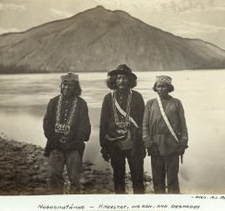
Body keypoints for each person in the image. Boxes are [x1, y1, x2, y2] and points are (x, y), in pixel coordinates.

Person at [99, 64, 146, 194]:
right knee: (118, 178)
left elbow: (143, 122)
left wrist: (143, 144)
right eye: (118, 78)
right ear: (114, 80)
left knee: (138, 178)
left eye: (125, 78)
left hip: (135, 144)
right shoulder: (108, 98)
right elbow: (103, 124)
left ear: (130, 81)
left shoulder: (137, 96)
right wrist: (104, 146)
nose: (121, 81)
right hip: (115, 144)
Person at [43, 72, 91, 194]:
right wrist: (55, 140)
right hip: (55, 145)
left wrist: (74, 142)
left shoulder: (81, 104)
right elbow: (47, 124)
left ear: (76, 88)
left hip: (74, 146)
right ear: (61, 85)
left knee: (74, 178)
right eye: (64, 84)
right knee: (54, 175)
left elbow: (85, 128)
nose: (66, 87)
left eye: (70, 85)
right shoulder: (53, 102)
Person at [142, 75, 188, 194]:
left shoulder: (176, 103)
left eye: (164, 86)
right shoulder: (150, 103)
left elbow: (183, 125)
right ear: (155, 88)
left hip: (172, 144)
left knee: (173, 179)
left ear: (169, 88)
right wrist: (148, 143)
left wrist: (183, 143)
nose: (161, 89)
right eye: (159, 86)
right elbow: (145, 125)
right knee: (158, 179)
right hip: (155, 145)